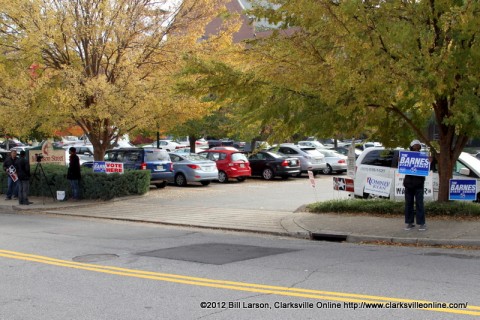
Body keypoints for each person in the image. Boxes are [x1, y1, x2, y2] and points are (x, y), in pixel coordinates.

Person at [403, 140, 426, 231]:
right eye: (414, 147)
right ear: (411, 148)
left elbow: (428, 168)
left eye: (418, 147)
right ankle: (409, 223)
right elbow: (401, 167)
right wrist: (400, 161)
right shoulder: (406, 157)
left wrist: (430, 162)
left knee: (420, 204)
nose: (416, 149)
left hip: (419, 184)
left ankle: (421, 223)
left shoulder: (423, 157)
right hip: (408, 184)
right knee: (408, 204)